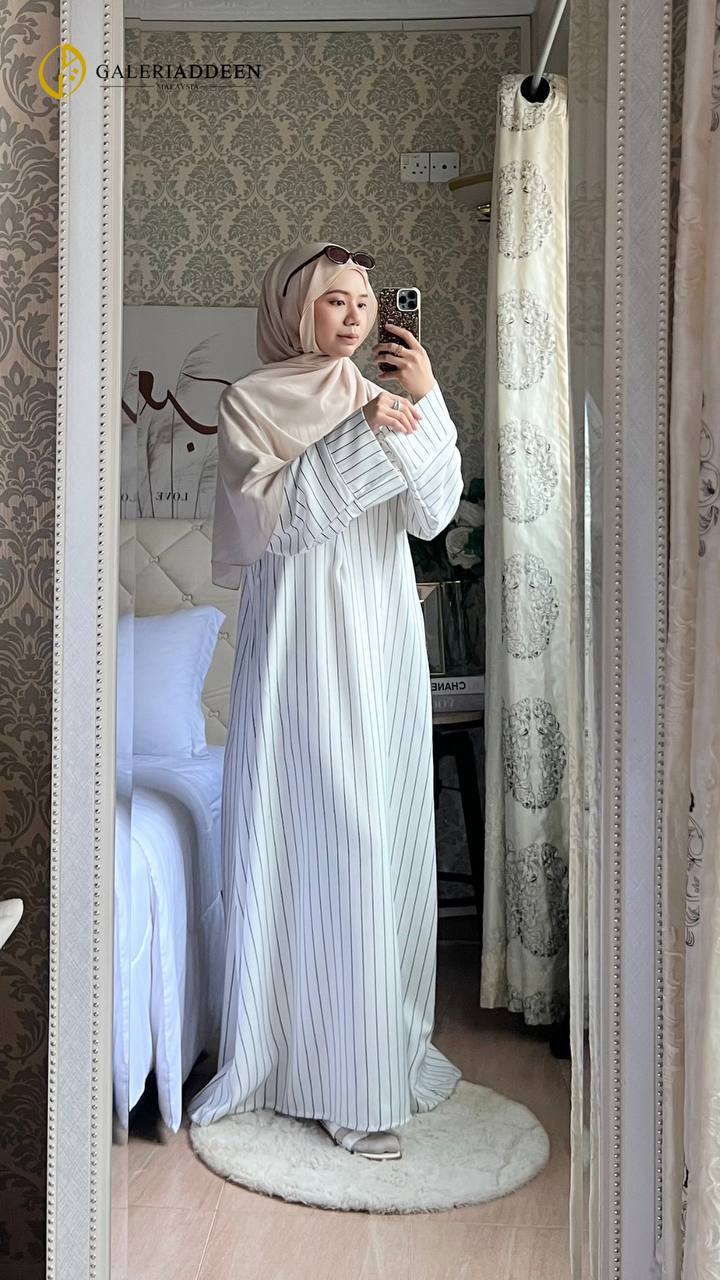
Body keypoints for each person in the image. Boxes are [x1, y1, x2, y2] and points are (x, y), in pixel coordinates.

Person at [187, 241, 464, 1161]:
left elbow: (432, 512)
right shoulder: (251, 401)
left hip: (380, 634)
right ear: (293, 310)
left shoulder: (382, 394)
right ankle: (331, 1077)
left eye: (364, 301)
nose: (355, 315)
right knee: (323, 833)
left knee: (382, 835)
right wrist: (365, 431)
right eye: (334, 300)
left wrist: (424, 399)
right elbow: (280, 524)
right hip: (301, 641)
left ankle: (372, 1056)